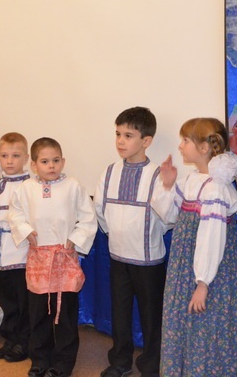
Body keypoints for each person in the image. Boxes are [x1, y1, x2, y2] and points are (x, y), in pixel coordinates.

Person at [153, 118, 237, 376]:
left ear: (204, 147)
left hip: (207, 275)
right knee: (184, 324)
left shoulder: (215, 189)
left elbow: (212, 238)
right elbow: (170, 217)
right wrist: (167, 184)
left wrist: (203, 283)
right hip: (186, 270)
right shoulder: (192, 179)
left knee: (206, 327)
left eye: (185, 141)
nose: (180, 146)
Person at [8, 137, 97, 377]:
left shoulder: (73, 186)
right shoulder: (26, 188)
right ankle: (39, 359)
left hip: (63, 258)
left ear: (63, 161)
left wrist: (75, 238)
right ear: (34, 164)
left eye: (56, 160)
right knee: (39, 313)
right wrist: (26, 231)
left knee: (64, 314)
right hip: (38, 258)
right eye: (45, 161)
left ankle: (63, 363)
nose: (51, 166)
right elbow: (15, 214)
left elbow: (88, 217)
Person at [95, 107, 173, 377]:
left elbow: (169, 218)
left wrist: (167, 187)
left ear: (146, 140)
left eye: (128, 135)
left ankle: (151, 366)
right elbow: (100, 211)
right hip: (118, 257)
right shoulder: (109, 172)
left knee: (151, 316)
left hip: (148, 260)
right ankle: (120, 362)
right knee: (120, 313)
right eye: (118, 134)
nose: (120, 141)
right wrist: (116, 234)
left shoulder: (157, 174)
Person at [0, 132, 32, 363]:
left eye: (15, 156)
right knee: (7, 300)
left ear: (26, 158)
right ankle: (10, 339)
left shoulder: (30, 186)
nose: (9, 161)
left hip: (22, 253)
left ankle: (24, 342)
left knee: (24, 302)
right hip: (1, 254)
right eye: (4, 156)